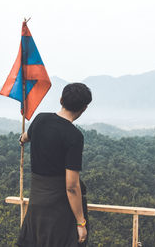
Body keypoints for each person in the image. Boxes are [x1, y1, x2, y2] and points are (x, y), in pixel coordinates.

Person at [16, 83, 92, 247]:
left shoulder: (41, 119)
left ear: (61, 100)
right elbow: (72, 186)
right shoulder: (74, 136)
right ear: (84, 108)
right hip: (59, 210)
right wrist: (81, 223)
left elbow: (26, 136)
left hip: (37, 205)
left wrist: (21, 139)